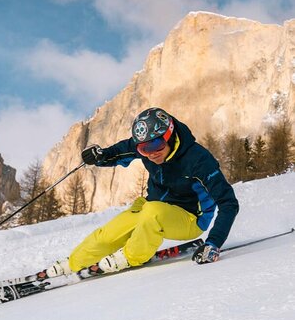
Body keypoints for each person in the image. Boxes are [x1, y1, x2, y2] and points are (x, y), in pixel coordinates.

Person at [48, 107, 239, 276]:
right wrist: (99, 156)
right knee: (108, 234)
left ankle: (130, 257)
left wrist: (213, 243)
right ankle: (73, 263)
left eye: (156, 146)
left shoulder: (198, 160)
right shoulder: (145, 148)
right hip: (152, 207)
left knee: (152, 213)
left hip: (191, 219)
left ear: (169, 136)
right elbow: (119, 151)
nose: (151, 153)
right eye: (143, 149)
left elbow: (228, 203)